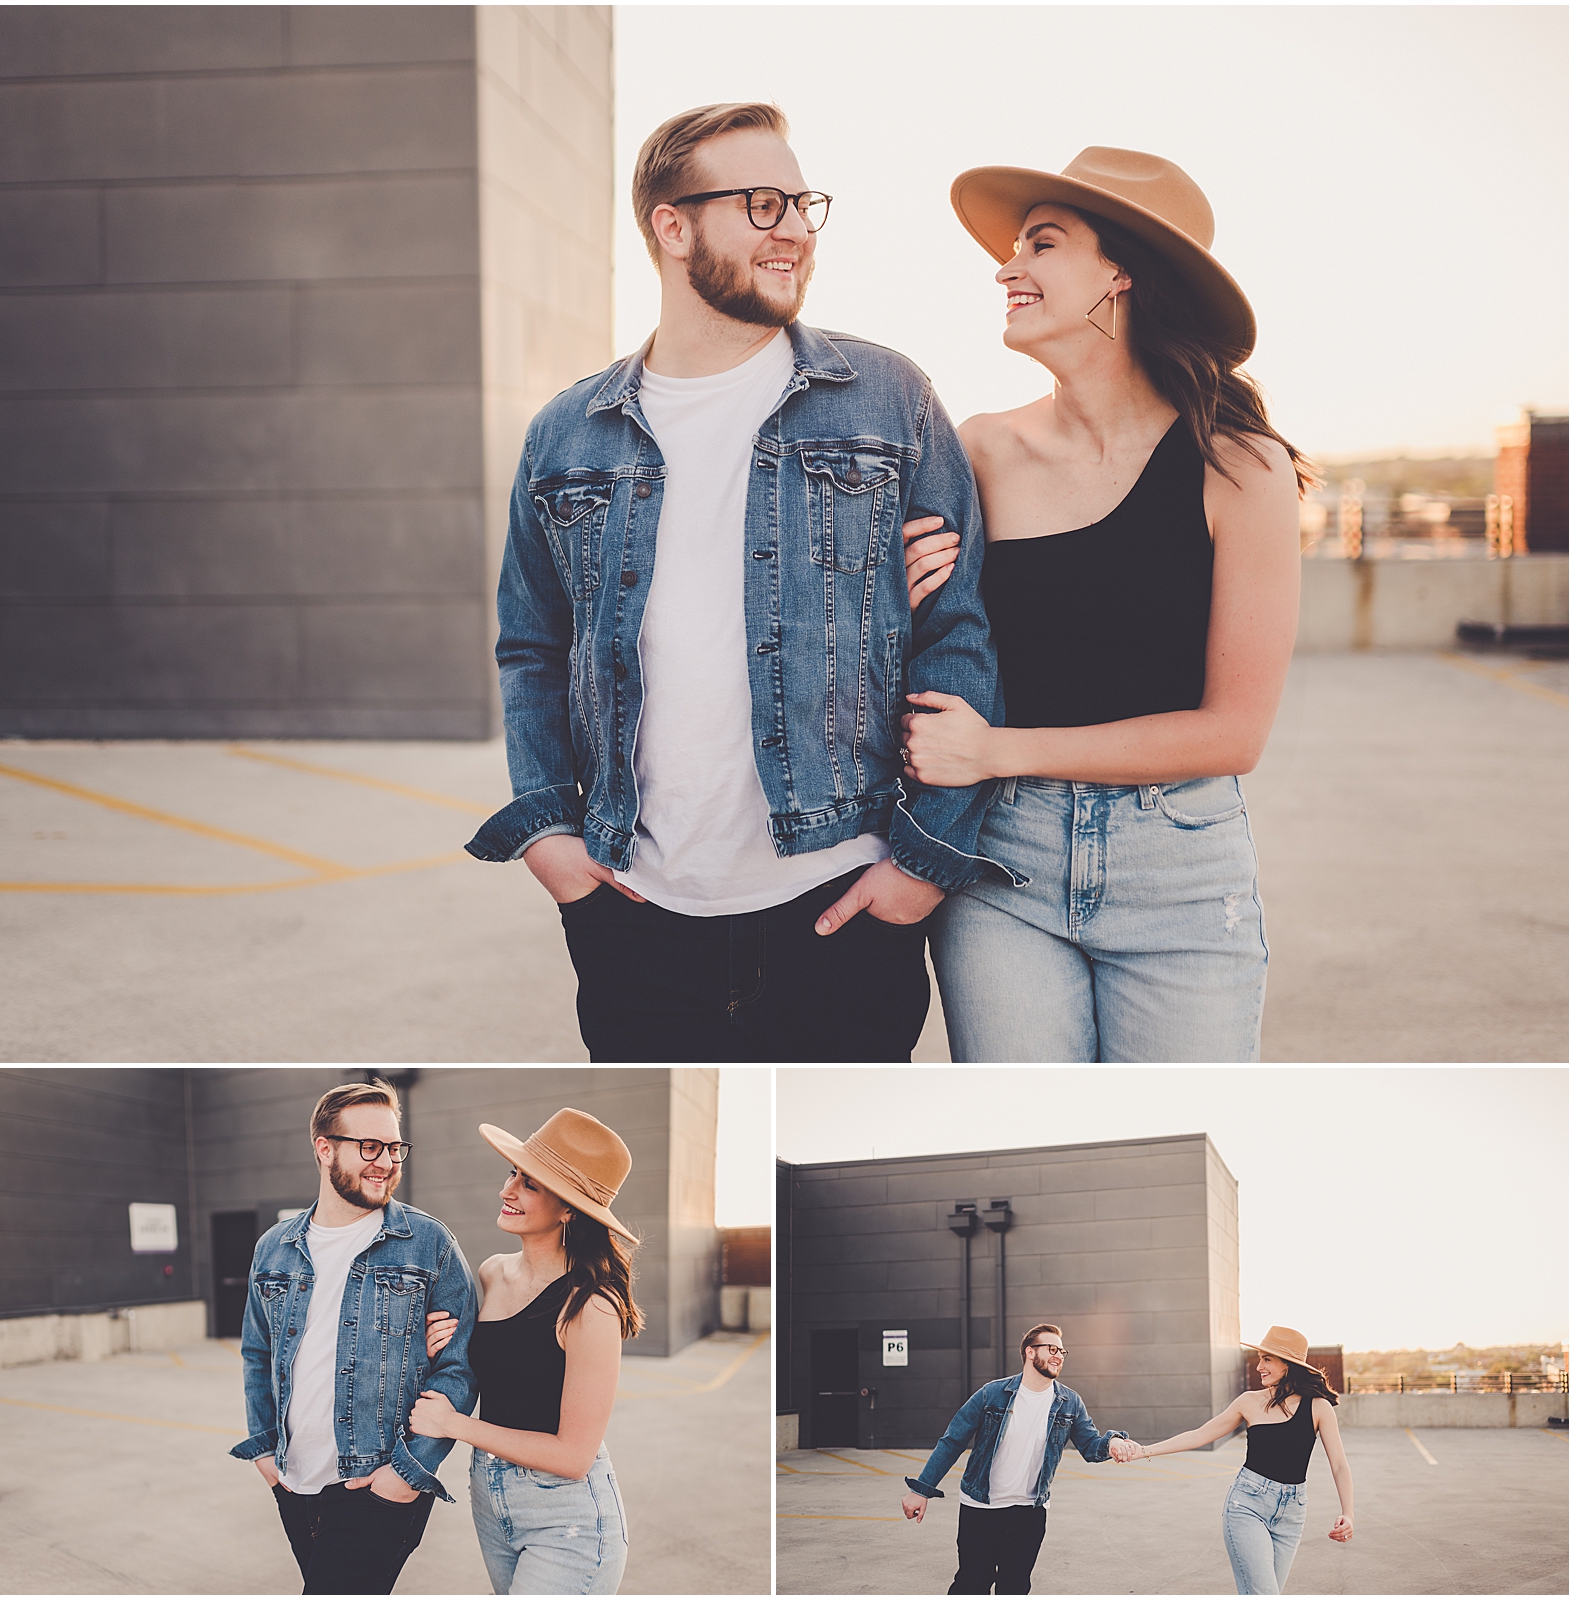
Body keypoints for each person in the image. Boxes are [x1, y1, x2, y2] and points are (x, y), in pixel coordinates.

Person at [463, 101, 1015, 1063]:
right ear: (671, 227)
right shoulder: (566, 433)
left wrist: (921, 864)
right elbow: (531, 646)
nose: (796, 228)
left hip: (840, 904)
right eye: (763, 204)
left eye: (803, 203)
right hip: (635, 913)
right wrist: (550, 838)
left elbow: (955, 636)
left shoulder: (888, 398)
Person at [898, 148, 1312, 1062]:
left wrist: (998, 749)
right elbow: (918, 643)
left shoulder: (1239, 466)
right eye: (1012, 249)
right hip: (1004, 863)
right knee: (1022, 1142)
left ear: (1121, 274)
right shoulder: (980, 450)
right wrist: (894, 585)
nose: (1006, 268)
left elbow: (1231, 732)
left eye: (1041, 245)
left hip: (1180, 873)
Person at [230, 1078, 479, 1595]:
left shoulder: (427, 1243)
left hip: (377, 1483)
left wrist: (406, 1472)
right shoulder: (274, 1248)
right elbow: (258, 1351)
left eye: (394, 1148)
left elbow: (459, 1367)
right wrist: (264, 1452)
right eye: (369, 1147)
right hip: (293, 1479)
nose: (386, 1162)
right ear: (324, 1149)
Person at [410, 1109, 643, 1595]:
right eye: (512, 1173)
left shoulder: (590, 1306)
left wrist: (455, 1426)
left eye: (530, 1184)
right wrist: (439, 1344)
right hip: (490, 1501)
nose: (507, 1190)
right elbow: (484, 1369)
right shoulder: (492, 1271)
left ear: (569, 1209)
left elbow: (574, 1455)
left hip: (568, 1520)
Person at [1115, 1325, 1354, 1594]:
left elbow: (1339, 1464)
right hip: (1247, 1507)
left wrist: (1348, 1512)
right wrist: (1143, 1451)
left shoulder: (1318, 1407)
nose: (1258, 1367)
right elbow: (1199, 1435)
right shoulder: (1248, 1402)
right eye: (1260, 1358)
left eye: (1267, 1359)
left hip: (1292, 1514)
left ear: (1287, 1364)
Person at [899, 1322, 1134, 1594]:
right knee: (971, 1584)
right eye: (1052, 1348)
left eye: (1063, 1351)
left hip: (1029, 1513)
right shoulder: (992, 1394)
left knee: (1016, 1586)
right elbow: (952, 1442)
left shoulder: (1070, 1402)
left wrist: (1113, 1442)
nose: (1059, 1355)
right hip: (981, 1507)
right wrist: (922, 1490)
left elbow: (1091, 1445)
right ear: (1030, 1352)